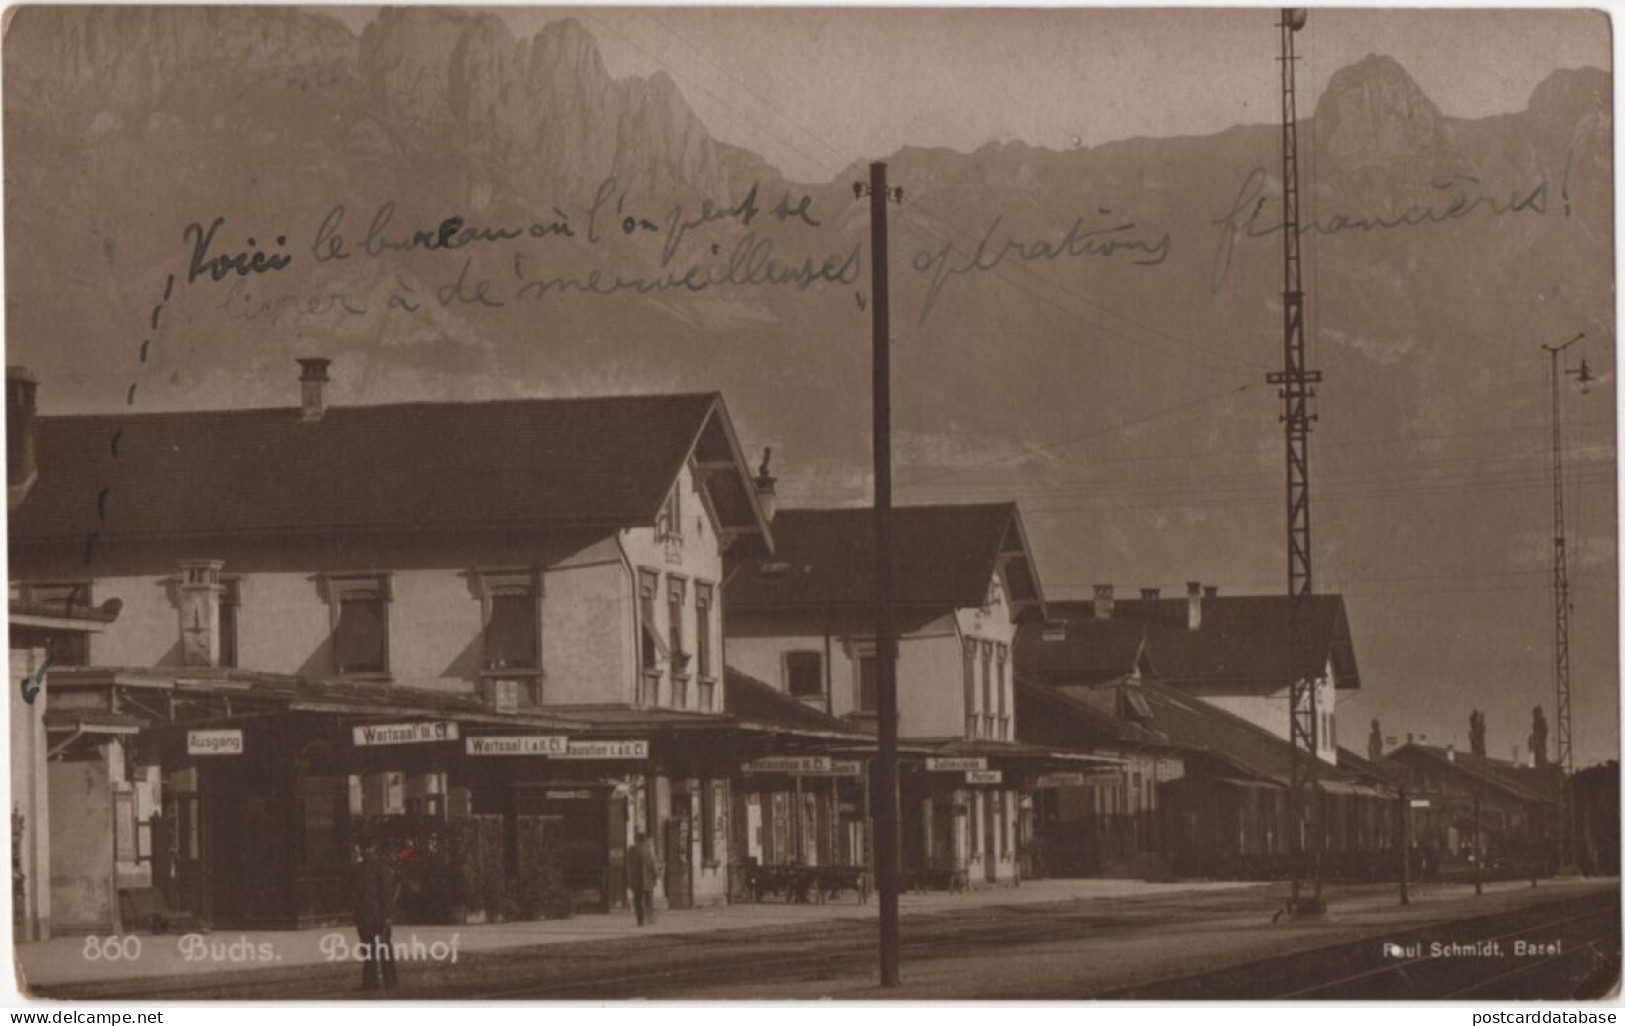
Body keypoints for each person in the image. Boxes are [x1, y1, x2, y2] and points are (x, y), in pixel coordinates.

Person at [353, 838, 400, 993]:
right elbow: (387, 894)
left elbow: (355, 895)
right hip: (376, 916)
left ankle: (372, 982)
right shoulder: (382, 868)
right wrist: (387, 916)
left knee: (370, 949)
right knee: (382, 948)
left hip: (367, 916)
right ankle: (389, 981)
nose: (366, 852)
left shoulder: (359, 869)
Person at [627, 831, 661, 926]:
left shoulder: (631, 850)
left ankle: (640, 920)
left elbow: (628, 866)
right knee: (649, 901)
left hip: (636, 881)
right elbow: (653, 865)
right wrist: (656, 876)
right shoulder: (648, 850)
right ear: (644, 840)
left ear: (636, 840)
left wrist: (629, 880)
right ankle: (650, 919)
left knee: (638, 901)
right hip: (648, 880)